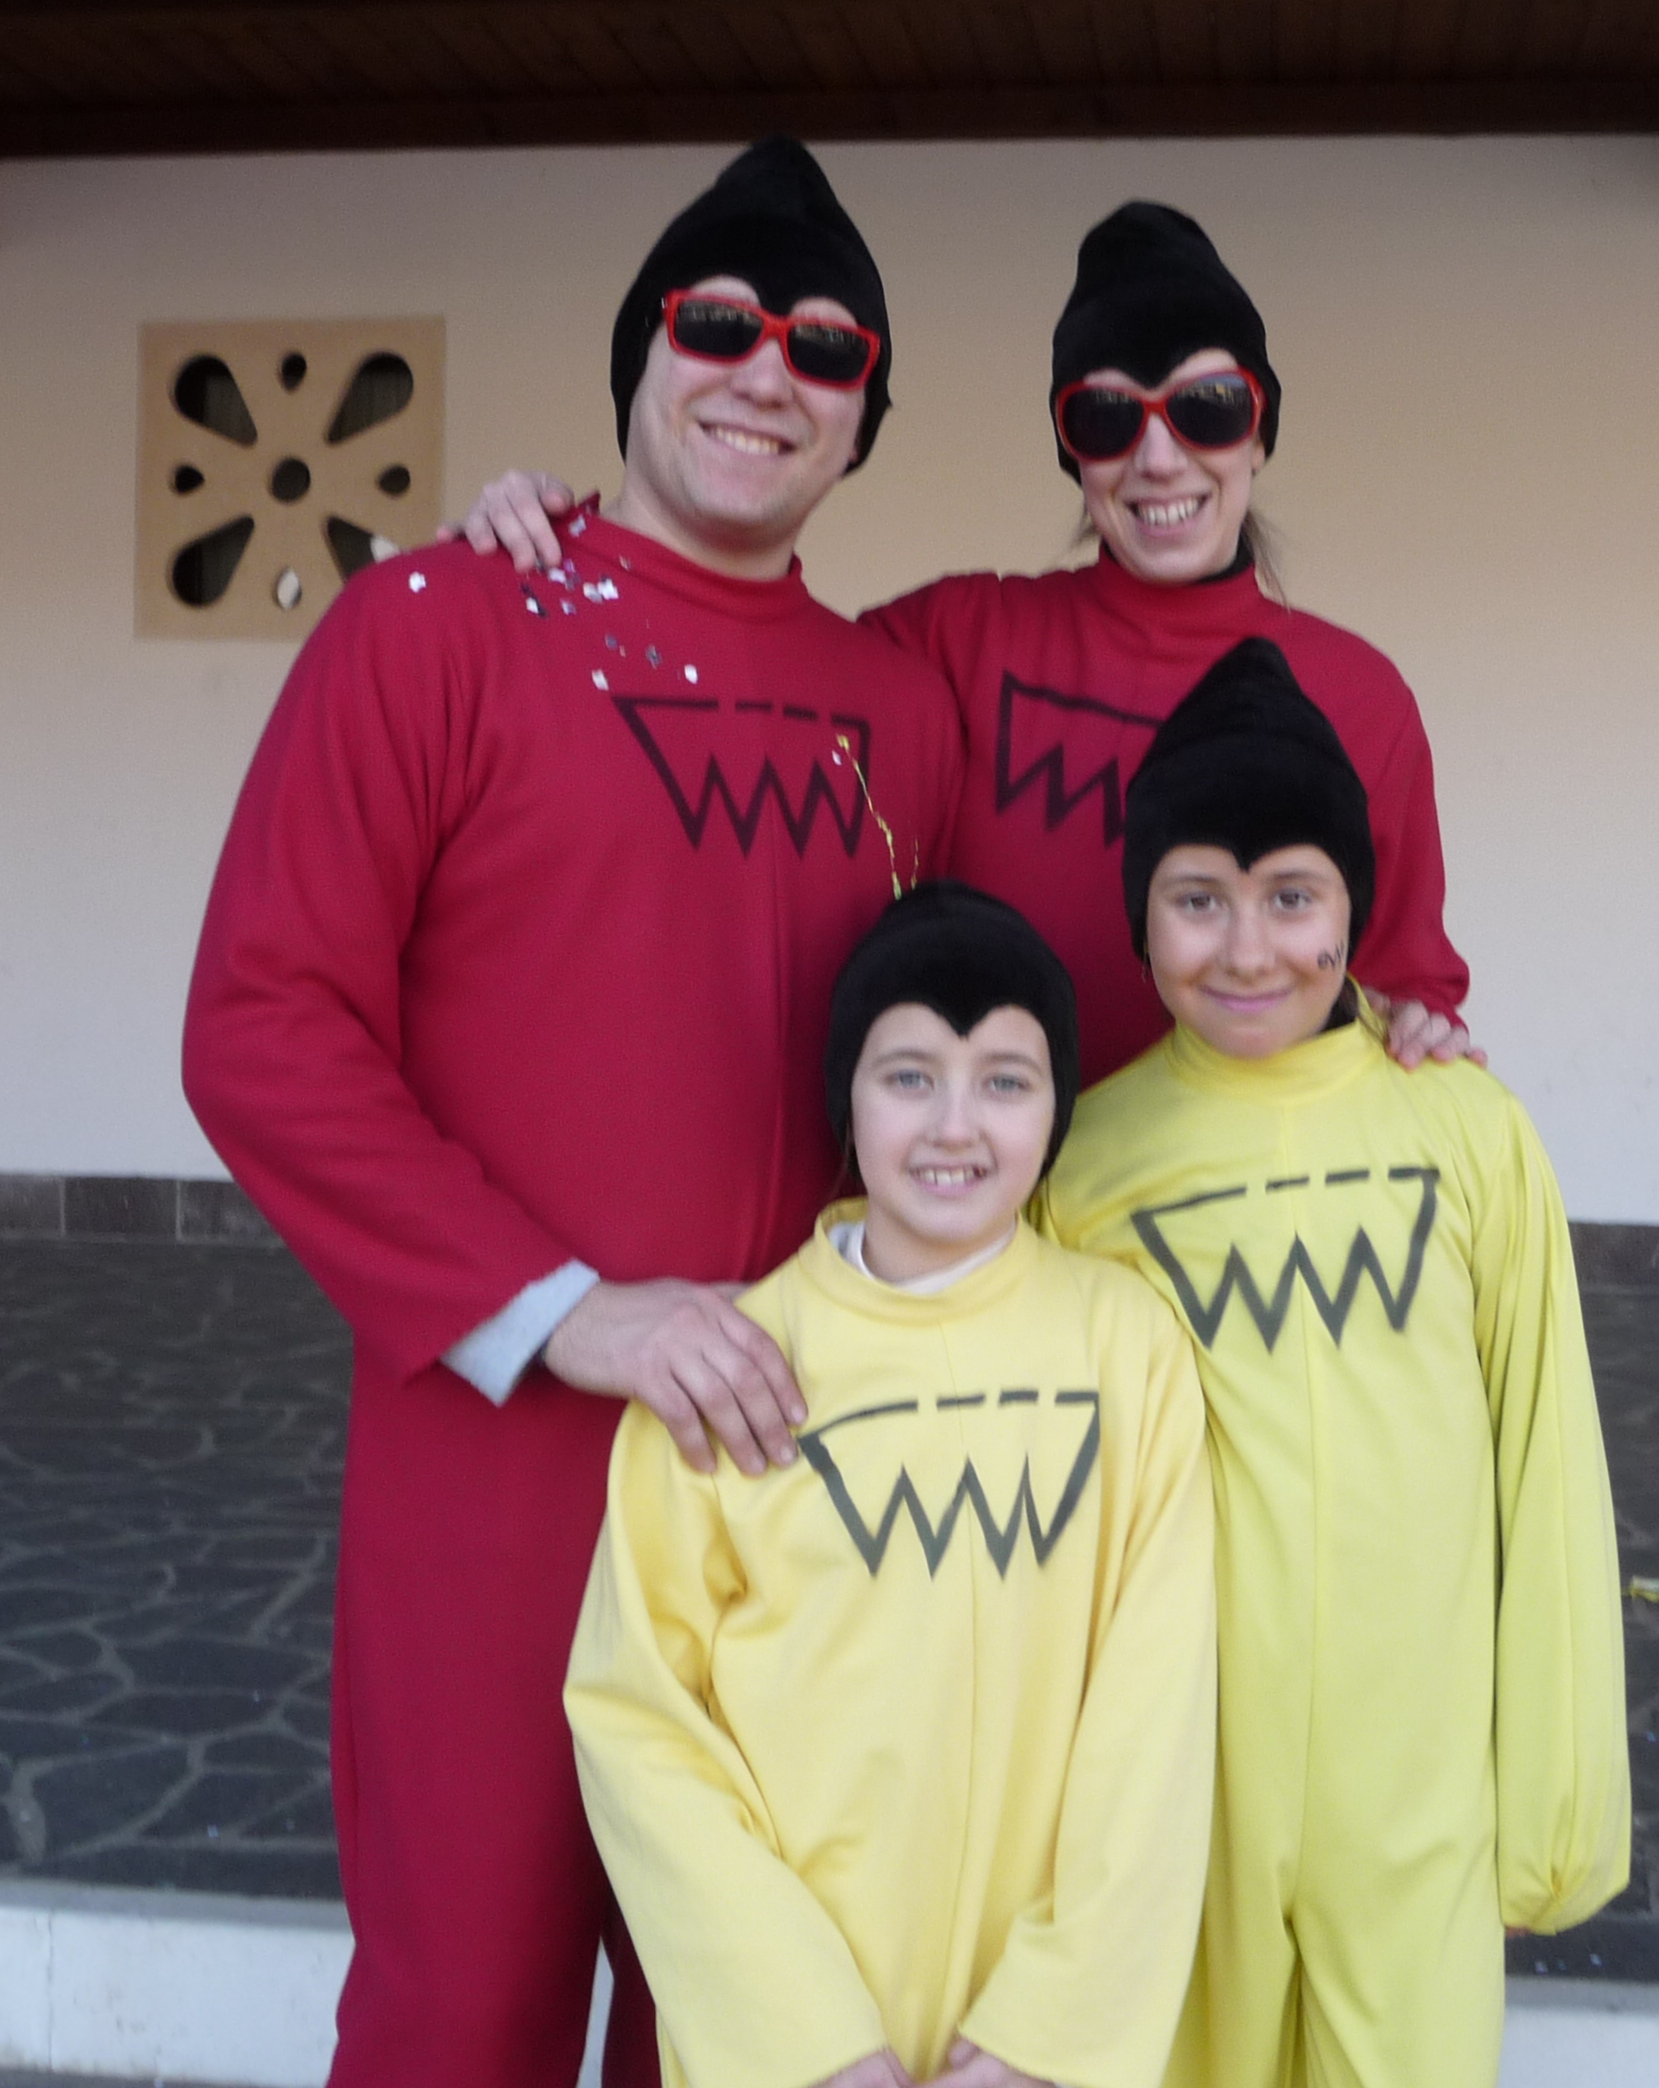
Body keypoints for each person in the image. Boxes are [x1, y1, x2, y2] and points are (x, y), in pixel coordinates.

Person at [181, 138, 963, 2088]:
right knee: (465, 2012)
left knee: (752, 2022)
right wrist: (565, 1309)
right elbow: (264, 1024)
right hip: (500, 1469)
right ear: (638, 354)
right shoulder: (434, 628)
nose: (765, 371)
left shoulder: (903, 706)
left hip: (794, 1467)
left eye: (826, 349)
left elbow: (1035, 993)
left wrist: (1386, 979)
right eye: (719, 323)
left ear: (862, 418)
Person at [453, 201, 1474, 1085]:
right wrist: (585, 536)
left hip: (1215, 1210)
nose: (1159, 458)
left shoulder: (1356, 695)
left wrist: (1425, 1026)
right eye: (1106, 416)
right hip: (969, 1191)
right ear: (1072, 453)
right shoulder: (957, 639)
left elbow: (1399, 981)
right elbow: (741, 666)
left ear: (1258, 432)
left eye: (1207, 410)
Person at [1039, 638, 1627, 2088]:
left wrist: (1552, 1801)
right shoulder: (1086, 1166)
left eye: (1292, 897)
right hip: (1183, 1782)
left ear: (1354, 909)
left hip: (1412, 1782)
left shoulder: (1466, 1131)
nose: (1247, 951)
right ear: (1140, 915)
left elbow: (1545, 1460)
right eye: (1197, 900)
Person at [567, 884, 1215, 2088]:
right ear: (846, 1096)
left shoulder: (1126, 1349)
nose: (953, 1126)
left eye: (1006, 1080)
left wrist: (1051, 2028)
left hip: (1038, 2045)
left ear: (1057, 1106)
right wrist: (806, 2038)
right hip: (803, 2038)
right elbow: (640, 1721)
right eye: (908, 1075)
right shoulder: (738, 1367)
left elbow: (1158, 1710)